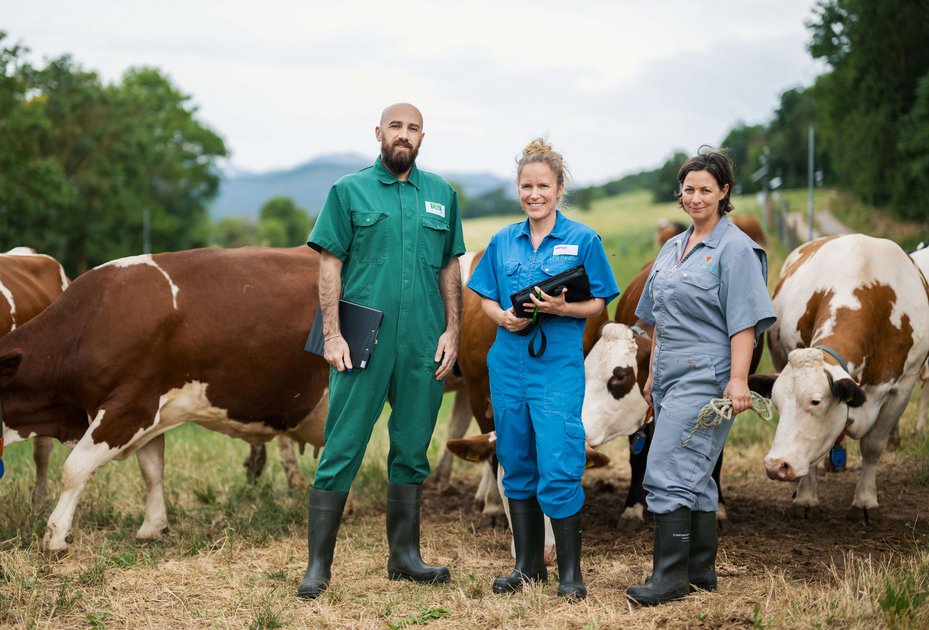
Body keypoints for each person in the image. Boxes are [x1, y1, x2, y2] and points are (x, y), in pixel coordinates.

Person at [298, 103, 465, 599]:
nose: (404, 135)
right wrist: (331, 333)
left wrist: (453, 330)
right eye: (396, 126)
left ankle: (405, 558)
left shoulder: (441, 194)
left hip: (422, 343)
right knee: (343, 444)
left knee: (413, 448)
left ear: (422, 137)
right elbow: (330, 264)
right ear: (378, 133)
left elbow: (449, 269)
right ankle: (317, 567)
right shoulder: (349, 191)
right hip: (360, 338)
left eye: (413, 128)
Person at [467, 139, 619, 600]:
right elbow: (486, 297)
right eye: (527, 186)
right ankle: (527, 567)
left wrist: (561, 307)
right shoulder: (502, 241)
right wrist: (501, 317)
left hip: (555, 365)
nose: (535, 194)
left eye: (543, 186)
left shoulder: (582, 240)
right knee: (515, 460)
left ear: (559, 188)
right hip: (508, 362)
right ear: (519, 189)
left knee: (559, 459)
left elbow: (599, 301)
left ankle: (570, 573)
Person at [627, 148, 776, 606]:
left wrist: (737, 381)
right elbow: (656, 322)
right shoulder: (673, 248)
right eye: (688, 189)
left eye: (705, 190)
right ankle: (700, 574)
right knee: (697, 475)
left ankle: (668, 577)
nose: (695, 197)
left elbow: (745, 324)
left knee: (666, 470)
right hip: (670, 375)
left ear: (724, 192)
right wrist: (652, 377)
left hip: (708, 376)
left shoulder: (736, 251)